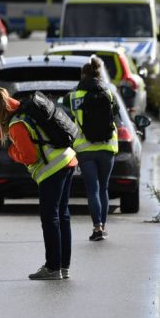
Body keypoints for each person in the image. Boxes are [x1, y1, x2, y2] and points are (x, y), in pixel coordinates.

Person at [0, 87, 78, 280]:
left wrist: (12, 153)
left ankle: (52, 267)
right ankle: (63, 266)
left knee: (50, 218)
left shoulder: (17, 124)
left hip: (53, 168)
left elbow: (29, 156)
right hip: (67, 159)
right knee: (62, 215)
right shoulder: (24, 110)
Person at [66, 57, 119, 241]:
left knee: (92, 189)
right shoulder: (109, 93)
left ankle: (97, 227)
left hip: (85, 149)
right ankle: (103, 228)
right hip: (107, 147)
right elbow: (117, 114)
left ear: (83, 75)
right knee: (104, 188)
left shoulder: (74, 96)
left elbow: (65, 111)